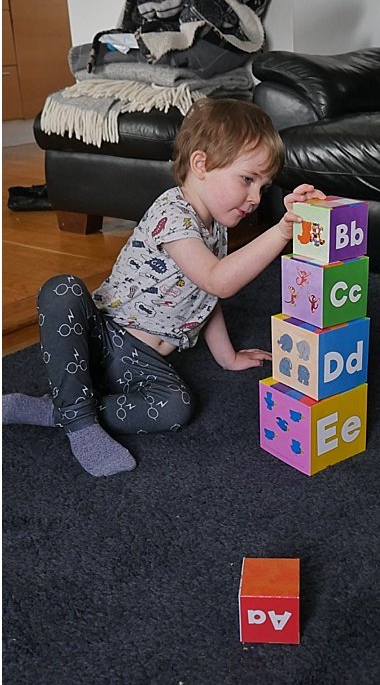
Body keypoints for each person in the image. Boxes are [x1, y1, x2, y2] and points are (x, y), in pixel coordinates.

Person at [2, 98, 325, 477]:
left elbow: (205, 298)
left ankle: (59, 408)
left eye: (263, 186)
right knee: (62, 290)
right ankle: (81, 426)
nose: (256, 199)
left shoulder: (216, 228)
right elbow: (218, 280)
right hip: (102, 339)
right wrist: (283, 230)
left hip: (143, 362)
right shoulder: (172, 213)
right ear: (201, 164)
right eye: (247, 180)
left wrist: (228, 356)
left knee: (177, 407)